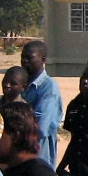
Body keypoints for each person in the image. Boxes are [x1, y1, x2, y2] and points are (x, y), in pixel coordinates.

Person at [16, 40, 63, 168]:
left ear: (43, 59)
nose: (24, 61)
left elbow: (41, 127)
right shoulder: (20, 84)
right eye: (22, 58)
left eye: (29, 57)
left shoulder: (48, 87)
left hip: (38, 156)